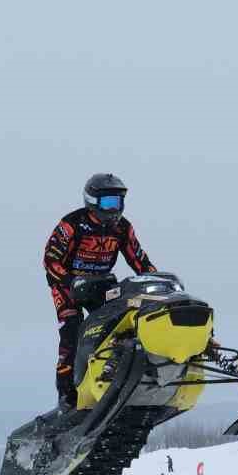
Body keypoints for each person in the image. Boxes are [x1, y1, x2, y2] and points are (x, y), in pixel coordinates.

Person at [43, 173, 157, 409]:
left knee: (125, 318)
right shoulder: (72, 224)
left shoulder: (122, 228)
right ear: (92, 201)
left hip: (103, 283)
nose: (114, 209)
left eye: (118, 202)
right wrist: (69, 281)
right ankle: (67, 395)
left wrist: (155, 281)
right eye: (108, 203)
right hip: (68, 285)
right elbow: (50, 260)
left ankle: (126, 369)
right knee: (72, 330)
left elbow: (139, 260)